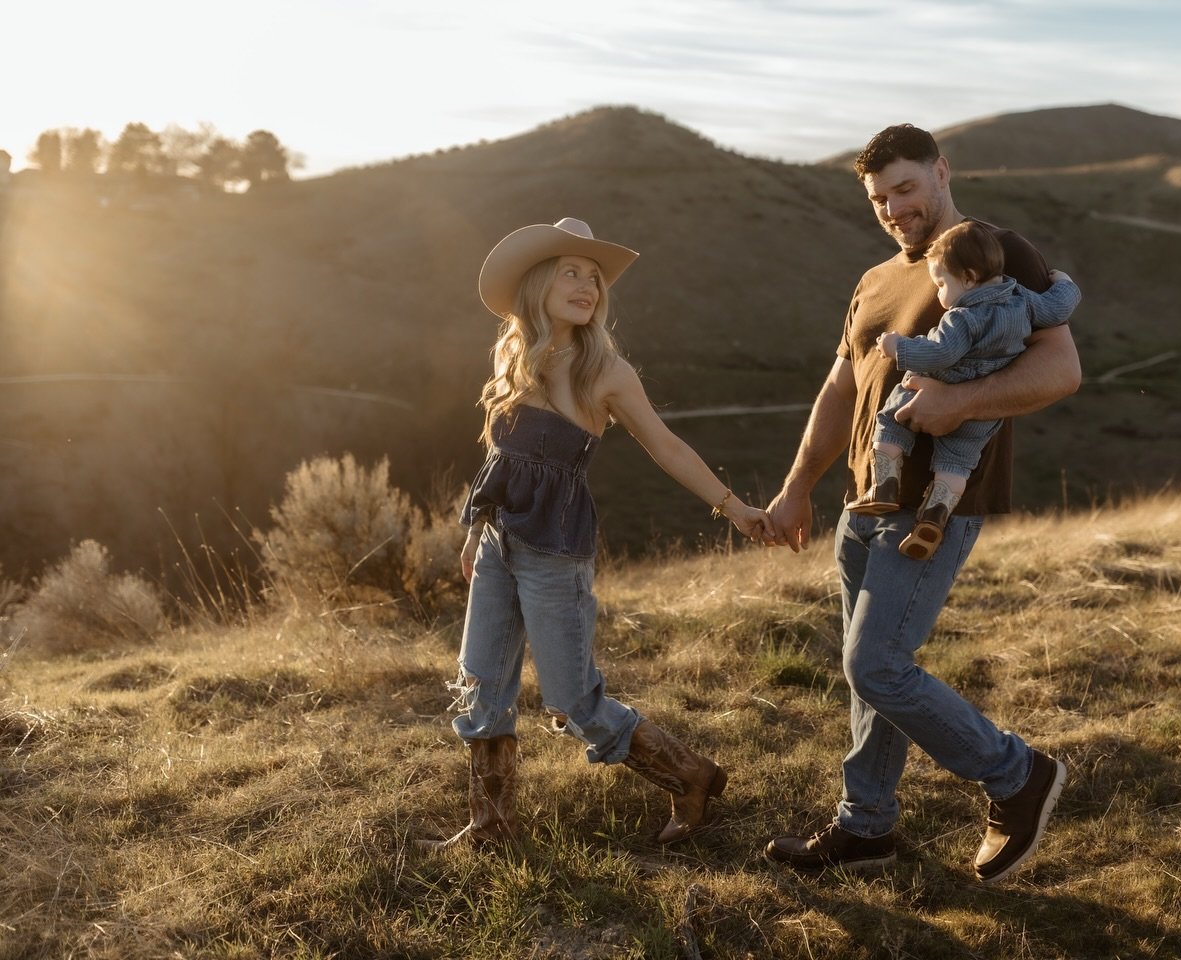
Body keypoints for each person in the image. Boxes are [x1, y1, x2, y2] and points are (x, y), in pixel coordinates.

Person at [762, 124, 1080, 883]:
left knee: (876, 664)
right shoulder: (875, 281)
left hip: (935, 507)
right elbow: (840, 391)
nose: (894, 208)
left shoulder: (997, 252)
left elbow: (1061, 369)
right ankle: (866, 829)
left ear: (941, 171)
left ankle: (1017, 776)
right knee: (865, 668)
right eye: (878, 198)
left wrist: (958, 402)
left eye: (905, 188)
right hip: (863, 503)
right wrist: (799, 483)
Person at [418, 217, 774, 852]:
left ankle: (691, 777)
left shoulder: (605, 371)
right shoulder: (514, 356)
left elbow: (665, 445)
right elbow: (501, 460)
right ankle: (490, 830)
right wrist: (475, 529)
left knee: (572, 702)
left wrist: (735, 507)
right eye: (570, 273)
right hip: (500, 542)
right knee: (482, 685)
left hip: (555, 553)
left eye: (594, 277)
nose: (587, 286)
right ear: (537, 285)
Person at [848, 219, 1080, 560]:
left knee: (890, 421)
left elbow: (943, 352)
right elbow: (1059, 306)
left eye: (941, 284)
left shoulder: (962, 318)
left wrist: (898, 348)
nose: (940, 294)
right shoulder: (1023, 300)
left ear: (969, 278)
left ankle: (883, 486)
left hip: (945, 383)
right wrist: (1064, 282)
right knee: (957, 462)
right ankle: (934, 516)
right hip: (982, 412)